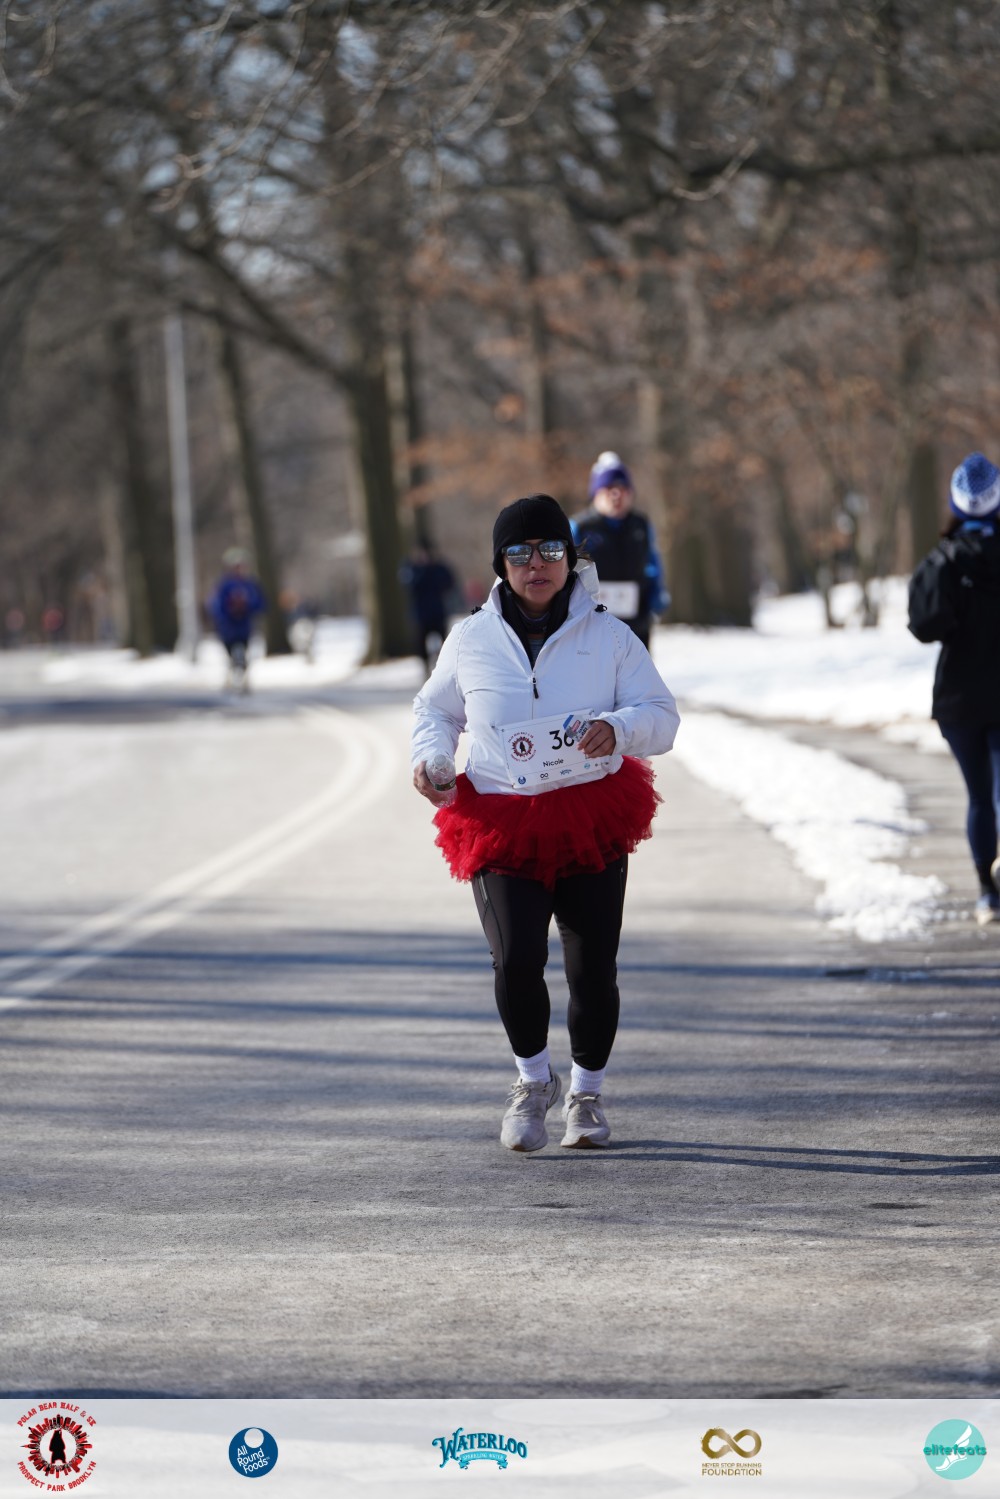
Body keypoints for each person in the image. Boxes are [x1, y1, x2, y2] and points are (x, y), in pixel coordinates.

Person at [411, 493, 679, 1151]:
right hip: (501, 817)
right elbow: (434, 710)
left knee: (593, 968)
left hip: (589, 813)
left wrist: (618, 728)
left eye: (551, 550)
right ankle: (533, 1081)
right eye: (521, 553)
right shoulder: (470, 639)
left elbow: (661, 715)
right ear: (500, 564)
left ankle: (586, 1094)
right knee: (515, 960)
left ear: (571, 557)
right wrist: (432, 757)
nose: (537, 564)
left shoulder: (609, 635)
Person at [908, 452, 1000, 926]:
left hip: (958, 700)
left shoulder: (942, 561)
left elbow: (923, 626)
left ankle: (987, 892)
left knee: (980, 797)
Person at [570, 450, 670, 648]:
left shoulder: (641, 525)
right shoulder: (580, 527)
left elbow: (653, 562)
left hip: (636, 623)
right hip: (592, 624)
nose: (616, 494)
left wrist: (656, 592)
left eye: (623, 488)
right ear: (596, 493)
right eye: (609, 488)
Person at [209, 547, 266, 692]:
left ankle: (244, 678)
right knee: (230, 653)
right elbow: (216, 604)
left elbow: (259, 602)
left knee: (244, 652)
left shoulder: (250, 584)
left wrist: (248, 608)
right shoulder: (224, 585)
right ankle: (231, 675)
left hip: (244, 625)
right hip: (228, 626)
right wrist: (224, 616)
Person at [399, 545, 458, 675]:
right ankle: (426, 667)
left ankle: (445, 667)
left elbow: (449, 582)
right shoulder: (412, 569)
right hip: (421, 614)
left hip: (438, 612)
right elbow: (409, 585)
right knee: (421, 644)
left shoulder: (438, 568)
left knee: (444, 643)